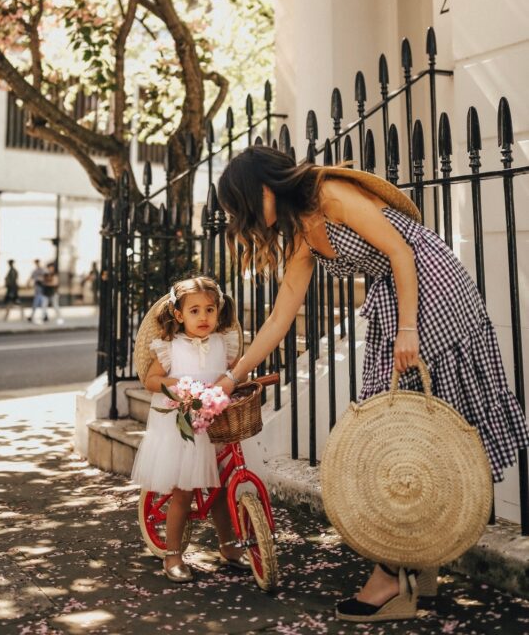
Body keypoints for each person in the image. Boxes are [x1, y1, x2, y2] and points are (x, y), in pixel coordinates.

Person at [215, 146, 529, 623]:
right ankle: (417, 567)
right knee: (399, 428)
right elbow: (281, 316)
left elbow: (402, 251)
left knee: (413, 422)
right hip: (396, 298)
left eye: (240, 205)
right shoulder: (302, 232)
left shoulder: (330, 193)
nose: (243, 218)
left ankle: (389, 577)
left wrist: (408, 330)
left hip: (430, 286)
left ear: (262, 186)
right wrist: (231, 375)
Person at [131, 276, 250, 583]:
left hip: (217, 422)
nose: (204, 317)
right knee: (183, 493)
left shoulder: (224, 343)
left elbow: (233, 373)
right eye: (194, 311)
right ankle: (172, 554)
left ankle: (230, 547)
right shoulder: (170, 346)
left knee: (222, 489)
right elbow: (151, 381)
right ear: (180, 315)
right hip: (183, 427)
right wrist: (182, 385)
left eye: (210, 310)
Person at [28, 259, 48, 324]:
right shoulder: (35, 271)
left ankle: (33, 316)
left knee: (38, 304)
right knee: (40, 304)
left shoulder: (43, 270)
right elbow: (31, 277)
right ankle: (45, 316)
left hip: (42, 290)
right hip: (37, 289)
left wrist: (41, 279)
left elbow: (46, 278)